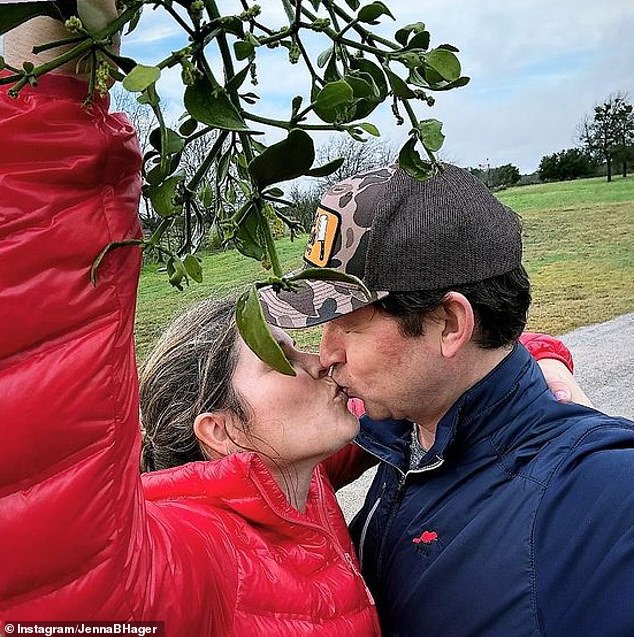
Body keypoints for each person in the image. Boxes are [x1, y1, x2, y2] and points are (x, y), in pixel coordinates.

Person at [0, 19, 380, 636]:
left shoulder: (298, 483)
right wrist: (44, 90)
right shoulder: (200, 553)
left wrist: (543, 356)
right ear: (222, 430)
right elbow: (53, 549)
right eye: (281, 356)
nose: (320, 360)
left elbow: (424, 374)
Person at [259, 163, 634, 636]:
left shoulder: (598, 498)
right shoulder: (404, 427)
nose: (327, 353)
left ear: (452, 325)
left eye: (349, 324)